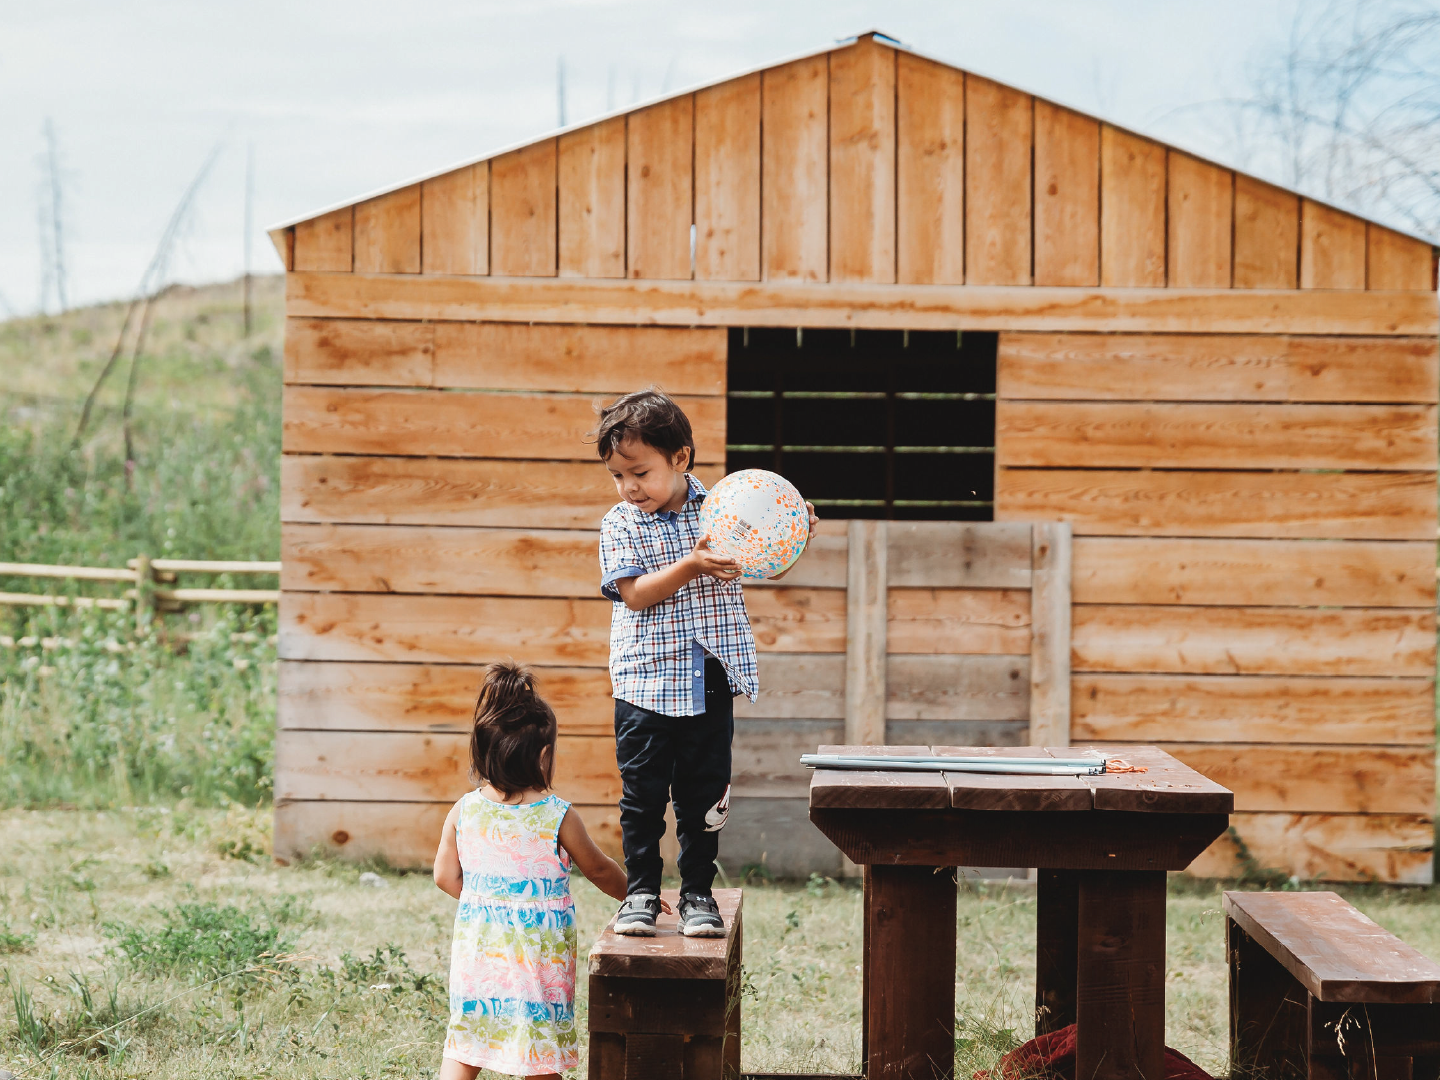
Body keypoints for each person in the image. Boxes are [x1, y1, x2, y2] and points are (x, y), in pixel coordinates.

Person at [594, 388, 817, 938]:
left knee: (705, 794)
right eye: (618, 476)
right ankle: (641, 893)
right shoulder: (620, 523)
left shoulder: (726, 510)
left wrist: (791, 533)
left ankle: (697, 893)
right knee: (642, 795)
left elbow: (767, 565)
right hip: (645, 681)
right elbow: (635, 593)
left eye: (640, 473)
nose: (629, 488)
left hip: (710, 678)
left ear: (681, 458)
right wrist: (691, 563)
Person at [432, 662, 633, 1080]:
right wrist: (637, 895)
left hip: (478, 954)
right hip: (537, 956)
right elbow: (597, 868)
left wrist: (486, 902)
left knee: (467, 1043)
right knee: (538, 1050)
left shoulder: (464, 809)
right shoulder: (555, 815)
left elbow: (445, 877)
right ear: (544, 755)